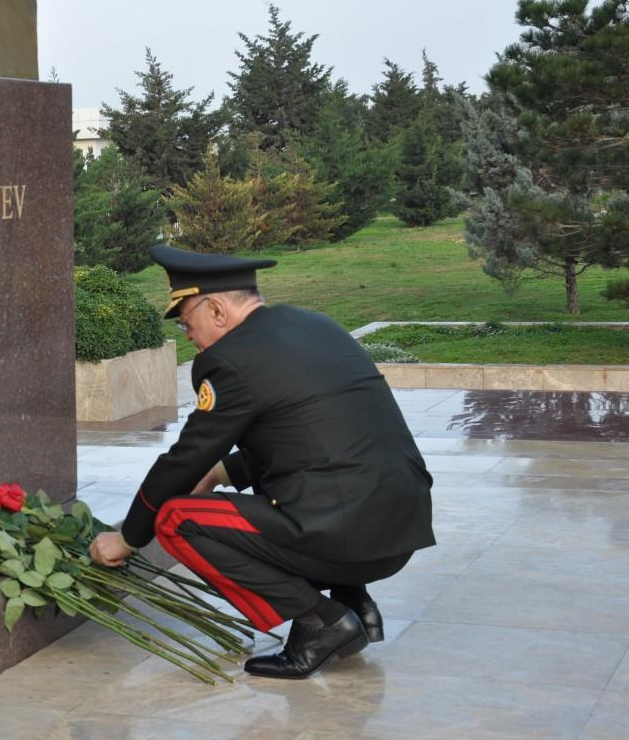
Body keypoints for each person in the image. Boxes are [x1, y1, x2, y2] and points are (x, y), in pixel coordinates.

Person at [89, 245, 435, 679]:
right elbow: (308, 439)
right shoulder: (314, 325)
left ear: (215, 309)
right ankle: (354, 603)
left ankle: (321, 622)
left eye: (186, 323)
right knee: (295, 491)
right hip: (400, 530)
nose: (188, 336)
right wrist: (219, 474)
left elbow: (184, 459)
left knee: (177, 520)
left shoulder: (230, 361)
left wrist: (127, 539)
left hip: (349, 538)